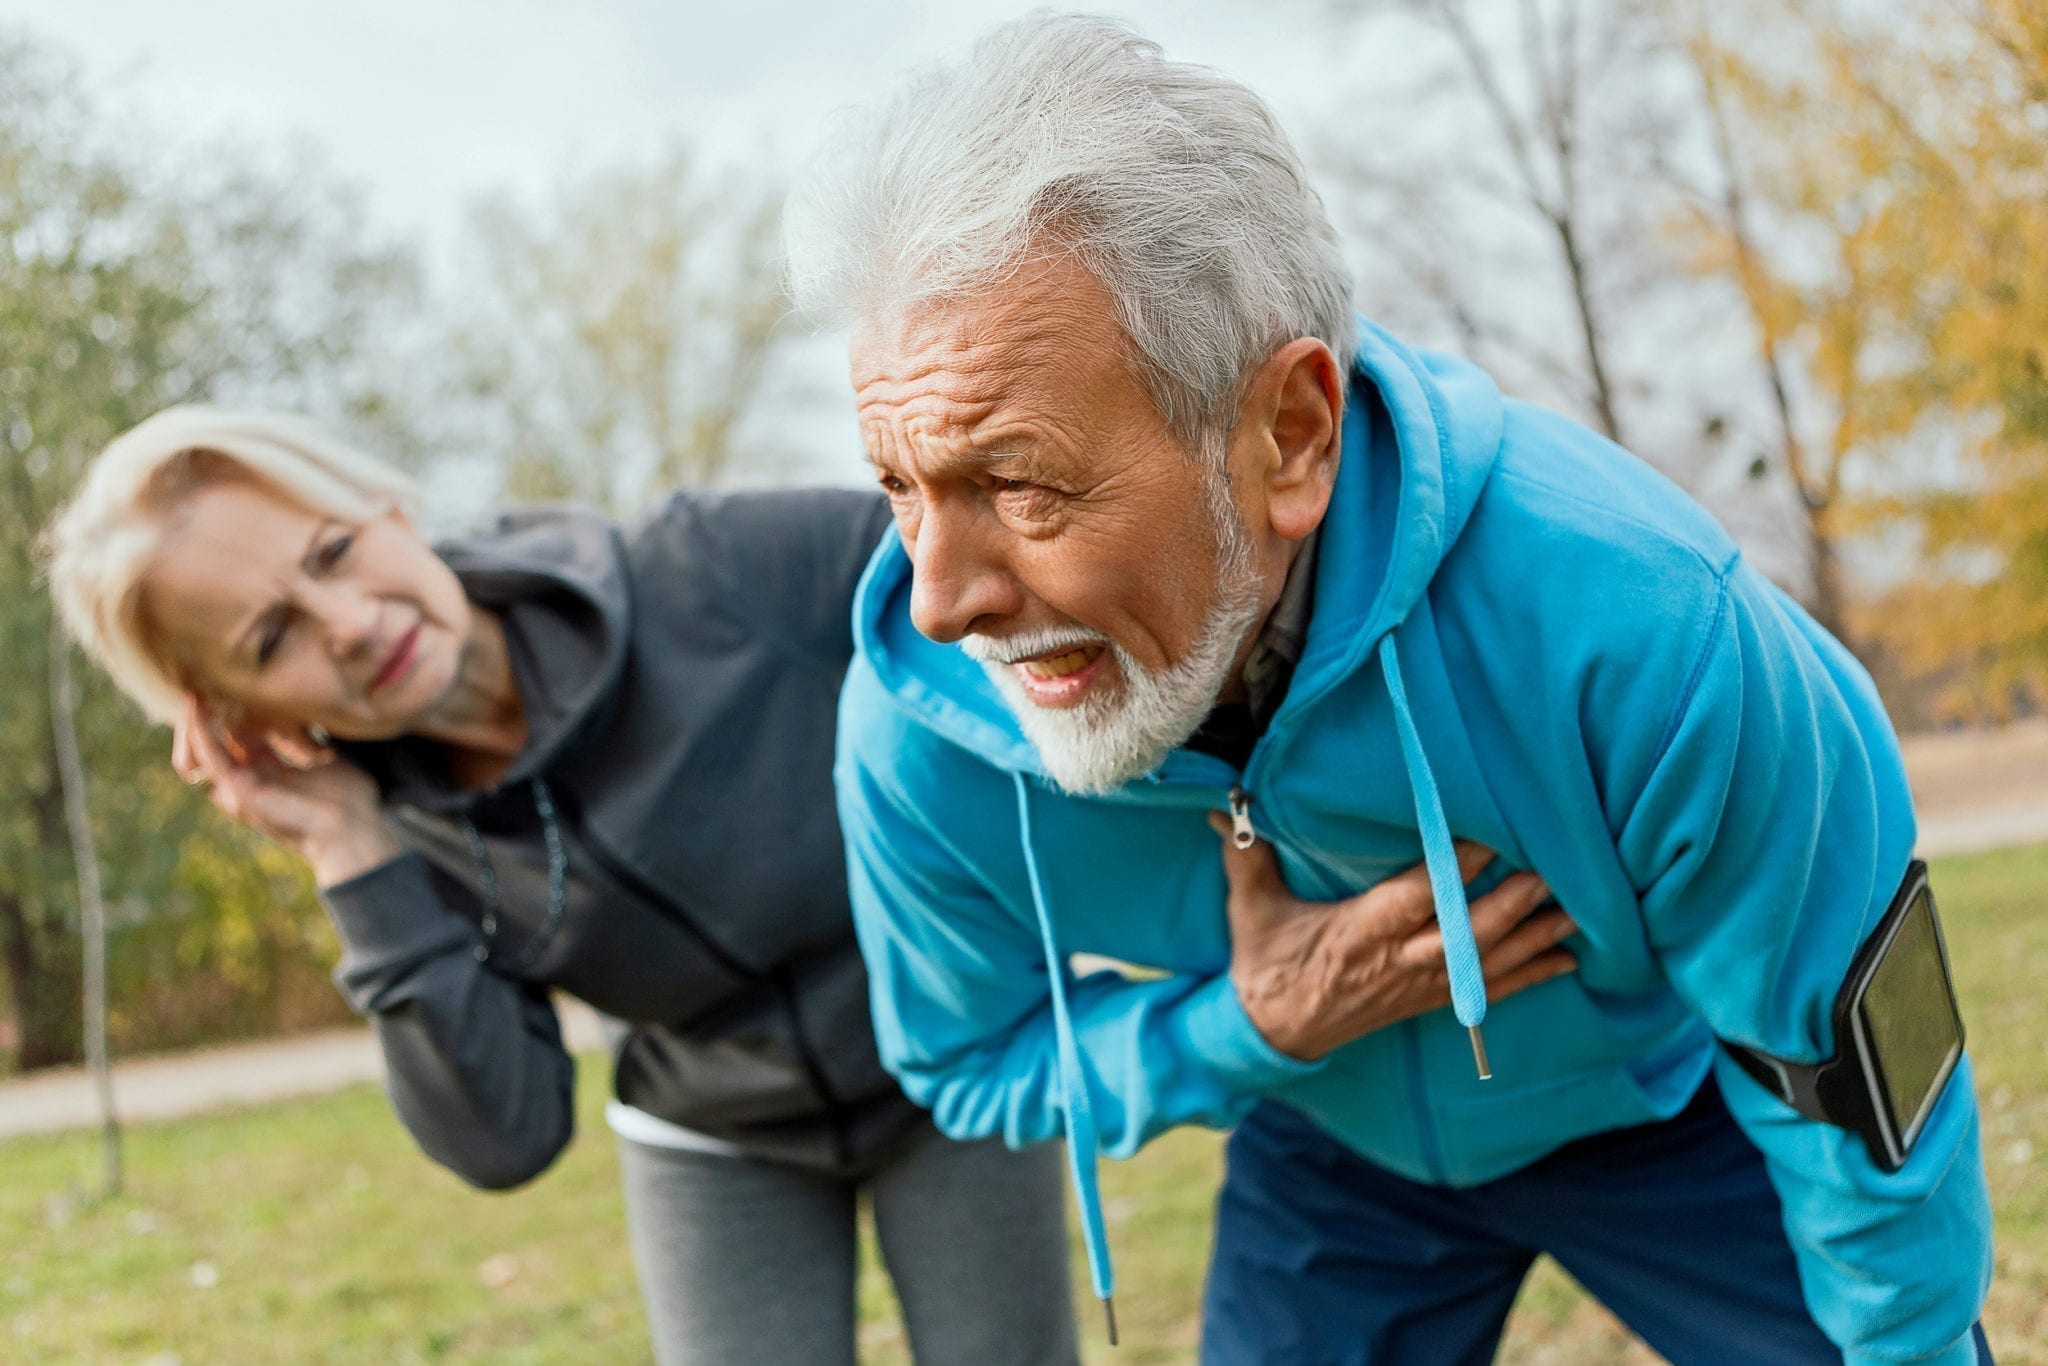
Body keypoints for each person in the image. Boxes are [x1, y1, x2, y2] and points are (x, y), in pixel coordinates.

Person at [784, 14, 1997, 1365]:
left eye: (1019, 481)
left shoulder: (1641, 620)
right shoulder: (919, 724)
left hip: (1672, 1108)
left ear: (1290, 432)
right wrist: (1246, 1028)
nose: (941, 597)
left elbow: (1852, 1050)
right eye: (902, 483)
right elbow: (966, 1059)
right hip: (1333, 1148)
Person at [41, 406, 1081, 1366]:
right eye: (271, 639)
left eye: (333, 552)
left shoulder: (714, 567)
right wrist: (352, 854)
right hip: (711, 1135)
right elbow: (507, 1136)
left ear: (388, 508)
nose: (348, 622)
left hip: (951, 1066)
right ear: (239, 716)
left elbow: (1012, 598)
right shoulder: (399, 838)